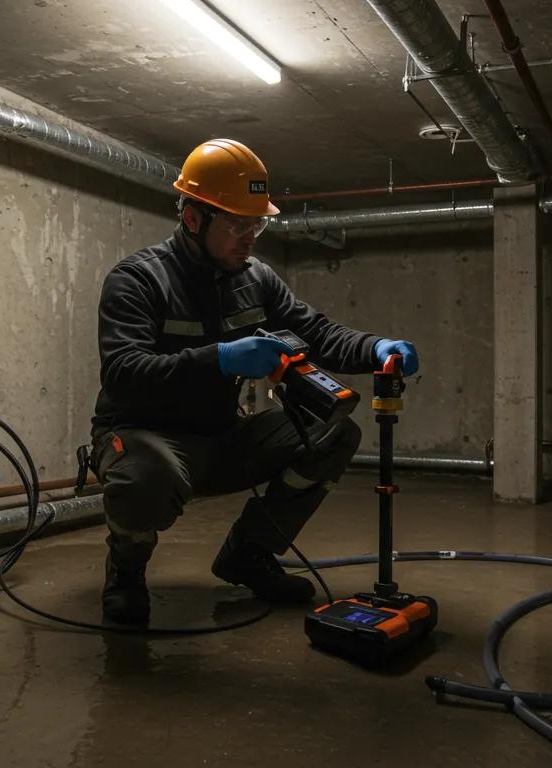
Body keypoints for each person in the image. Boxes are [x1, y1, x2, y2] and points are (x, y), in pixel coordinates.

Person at [89, 138, 420, 624]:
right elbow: (123, 374)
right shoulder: (138, 281)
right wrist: (219, 358)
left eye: (258, 224)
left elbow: (317, 332)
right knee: (147, 476)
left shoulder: (255, 277)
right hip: (146, 435)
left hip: (222, 437)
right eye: (238, 224)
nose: (250, 236)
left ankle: (249, 554)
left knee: (335, 432)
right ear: (193, 218)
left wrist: (375, 348)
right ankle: (125, 572)